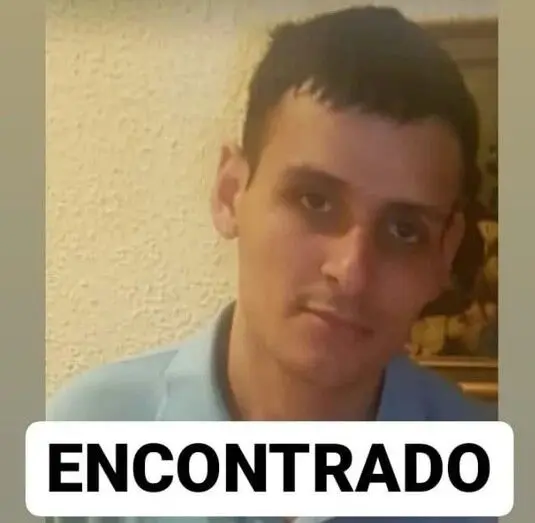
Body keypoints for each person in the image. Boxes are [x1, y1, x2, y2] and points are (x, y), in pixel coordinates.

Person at [48, 6, 496, 522]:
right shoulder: (87, 436)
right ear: (229, 192)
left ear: (444, 252)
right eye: (314, 201)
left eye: (403, 230)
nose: (351, 270)